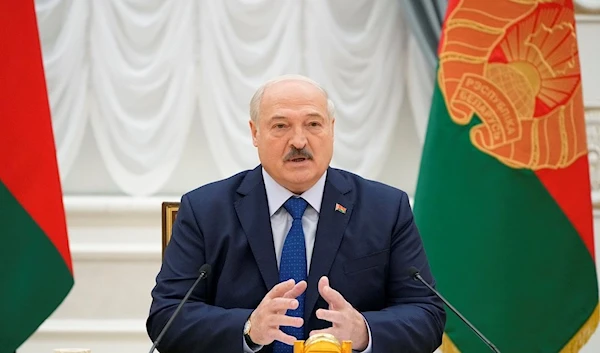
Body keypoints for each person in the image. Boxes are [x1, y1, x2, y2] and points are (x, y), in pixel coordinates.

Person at [146, 74, 446, 353]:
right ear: (255, 133)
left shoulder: (385, 208)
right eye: (281, 126)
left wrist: (364, 331)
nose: (299, 141)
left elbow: (427, 314)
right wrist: (248, 328)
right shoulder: (205, 209)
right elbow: (167, 316)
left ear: (331, 129)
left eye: (313, 124)